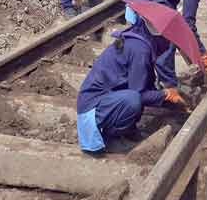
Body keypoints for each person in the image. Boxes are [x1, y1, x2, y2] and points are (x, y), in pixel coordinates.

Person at [76, 20, 185, 152]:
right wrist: (166, 94)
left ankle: (128, 131)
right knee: (133, 98)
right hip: (93, 110)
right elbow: (140, 93)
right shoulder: (140, 50)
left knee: (136, 92)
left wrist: (170, 100)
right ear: (158, 36)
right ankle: (112, 138)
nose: (168, 45)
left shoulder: (140, 40)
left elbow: (144, 84)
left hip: (107, 100)